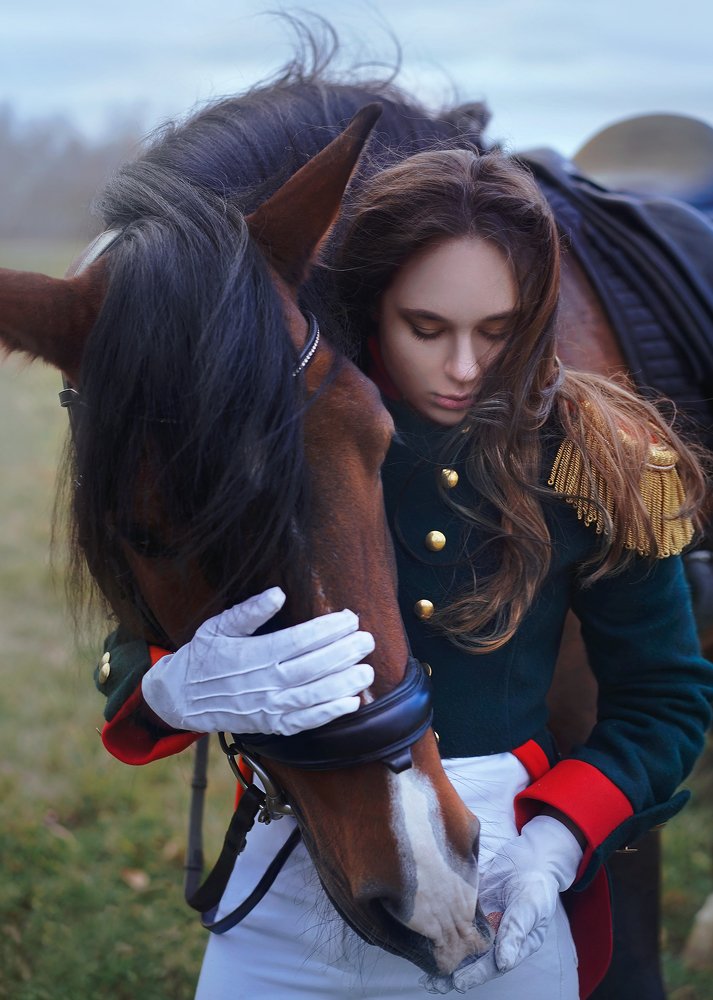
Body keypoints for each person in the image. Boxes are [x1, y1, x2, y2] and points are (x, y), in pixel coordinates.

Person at [94, 148, 713, 998]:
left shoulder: (597, 462)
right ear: (370, 306)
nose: (464, 368)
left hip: (507, 866)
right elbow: (145, 626)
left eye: (496, 330)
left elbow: (664, 701)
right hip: (292, 861)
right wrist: (170, 690)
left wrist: (557, 840)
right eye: (426, 328)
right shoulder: (274, 444)